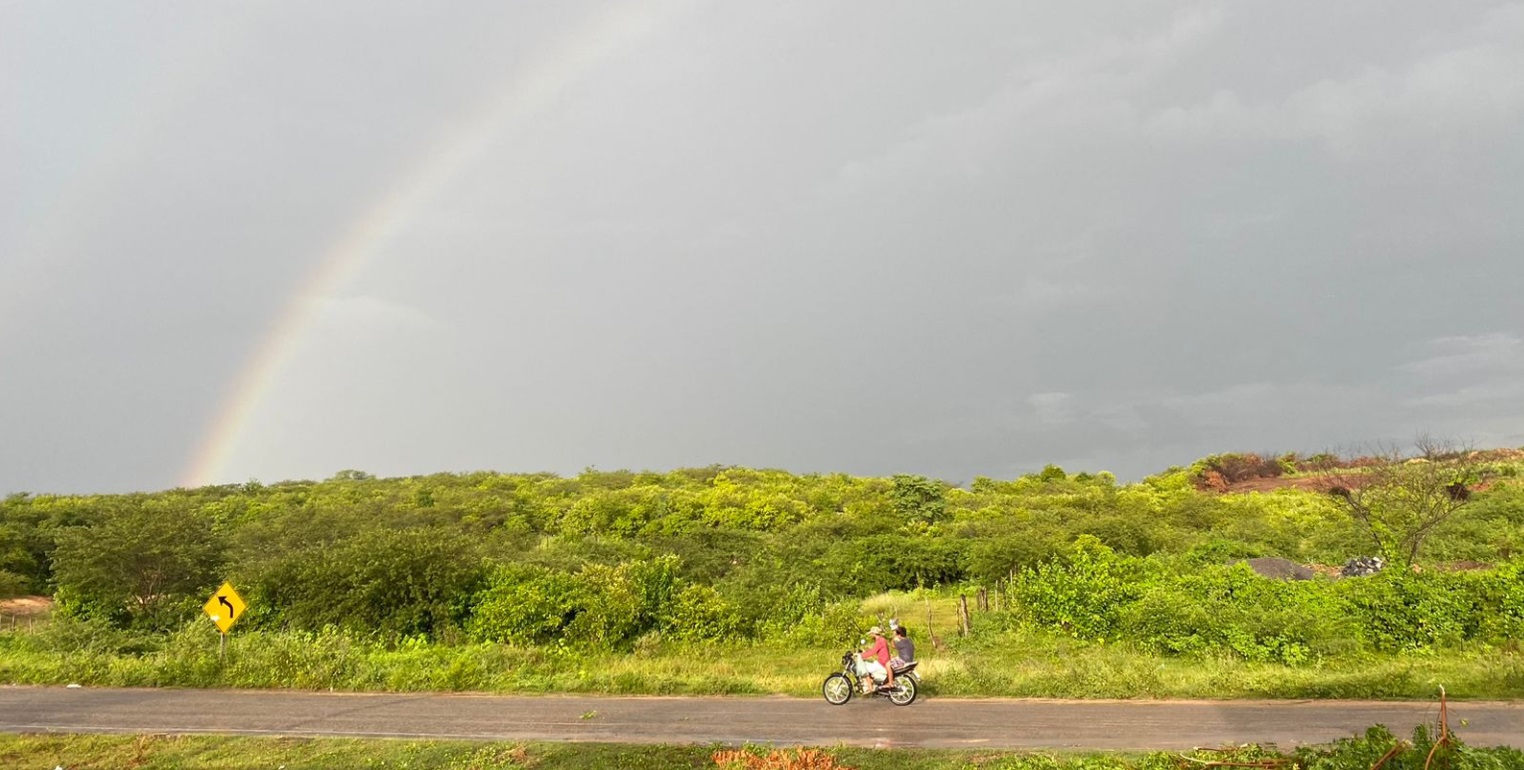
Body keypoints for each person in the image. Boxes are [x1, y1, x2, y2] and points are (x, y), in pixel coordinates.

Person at [860, 626, 893, 691]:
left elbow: (873, 652)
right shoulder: (882, 640)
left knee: (863, 667)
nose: (870, 635)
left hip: (882, 663)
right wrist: (866, 652)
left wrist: (861, 656)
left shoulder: (880, 641)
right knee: (868, 664)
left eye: (871, 634)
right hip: (883, 661)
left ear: (874, 633)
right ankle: (872, 683)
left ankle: (870, 687)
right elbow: (874, 650)